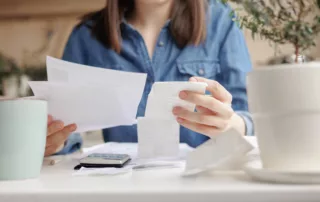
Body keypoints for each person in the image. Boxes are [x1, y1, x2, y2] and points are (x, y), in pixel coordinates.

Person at [45, 0, 253, 156]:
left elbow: (252, 118)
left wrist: (232, 124)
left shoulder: (221, 22)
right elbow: (66, 128)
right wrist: (55, 141)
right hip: (122, 188)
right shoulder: (86, 36)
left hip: (205, 184)